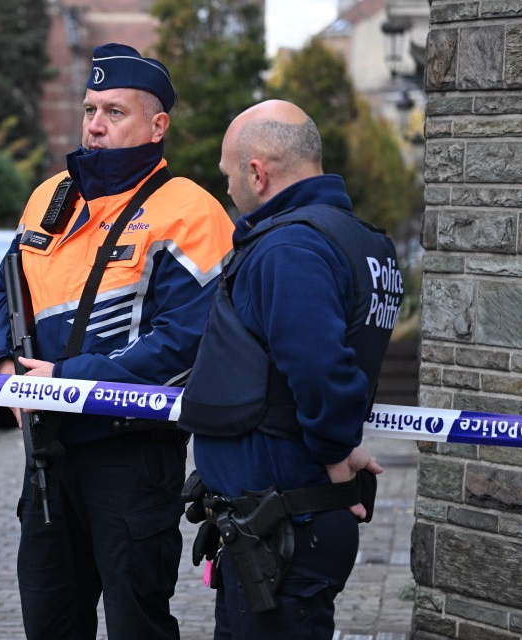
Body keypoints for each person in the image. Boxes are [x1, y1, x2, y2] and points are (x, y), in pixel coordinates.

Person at [0, 43, 234, 640]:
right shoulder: (50, 197)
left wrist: (67, 381)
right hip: (48, 450)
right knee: (48, 619)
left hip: (132, 455)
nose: (95, 125)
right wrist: (4, 365)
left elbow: (187, 344)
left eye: (115, 112)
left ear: (157, 124)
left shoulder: (192, 213)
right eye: (90, 108)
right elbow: (3, 287)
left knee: (136, 624)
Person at [178, 99, 404, 639]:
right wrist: (340, 442)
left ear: (257, 172)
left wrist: (331, 450)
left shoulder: (290, 247)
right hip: (285, 520)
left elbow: (321, 369)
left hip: (284, 524)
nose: (228, 191)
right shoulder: (361, 242)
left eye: (229, 175)